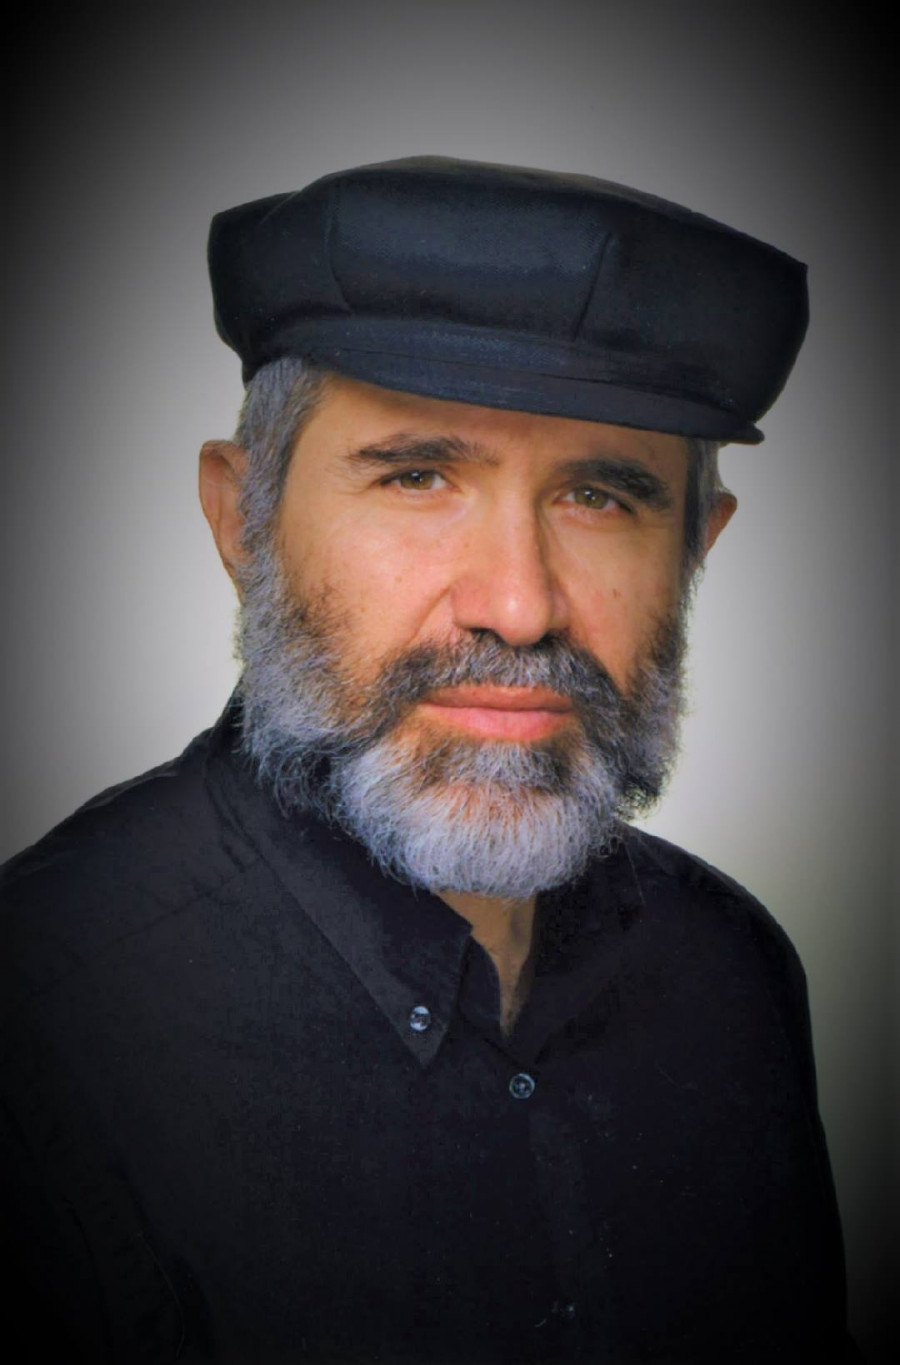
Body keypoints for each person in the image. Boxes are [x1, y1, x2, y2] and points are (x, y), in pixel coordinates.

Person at [1, 157, 858, 1363]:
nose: (518, 606)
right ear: (241, 522)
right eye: (416, 476)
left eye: (601, 497)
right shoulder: (38, 1020)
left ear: (695, 549)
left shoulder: (735, 973)